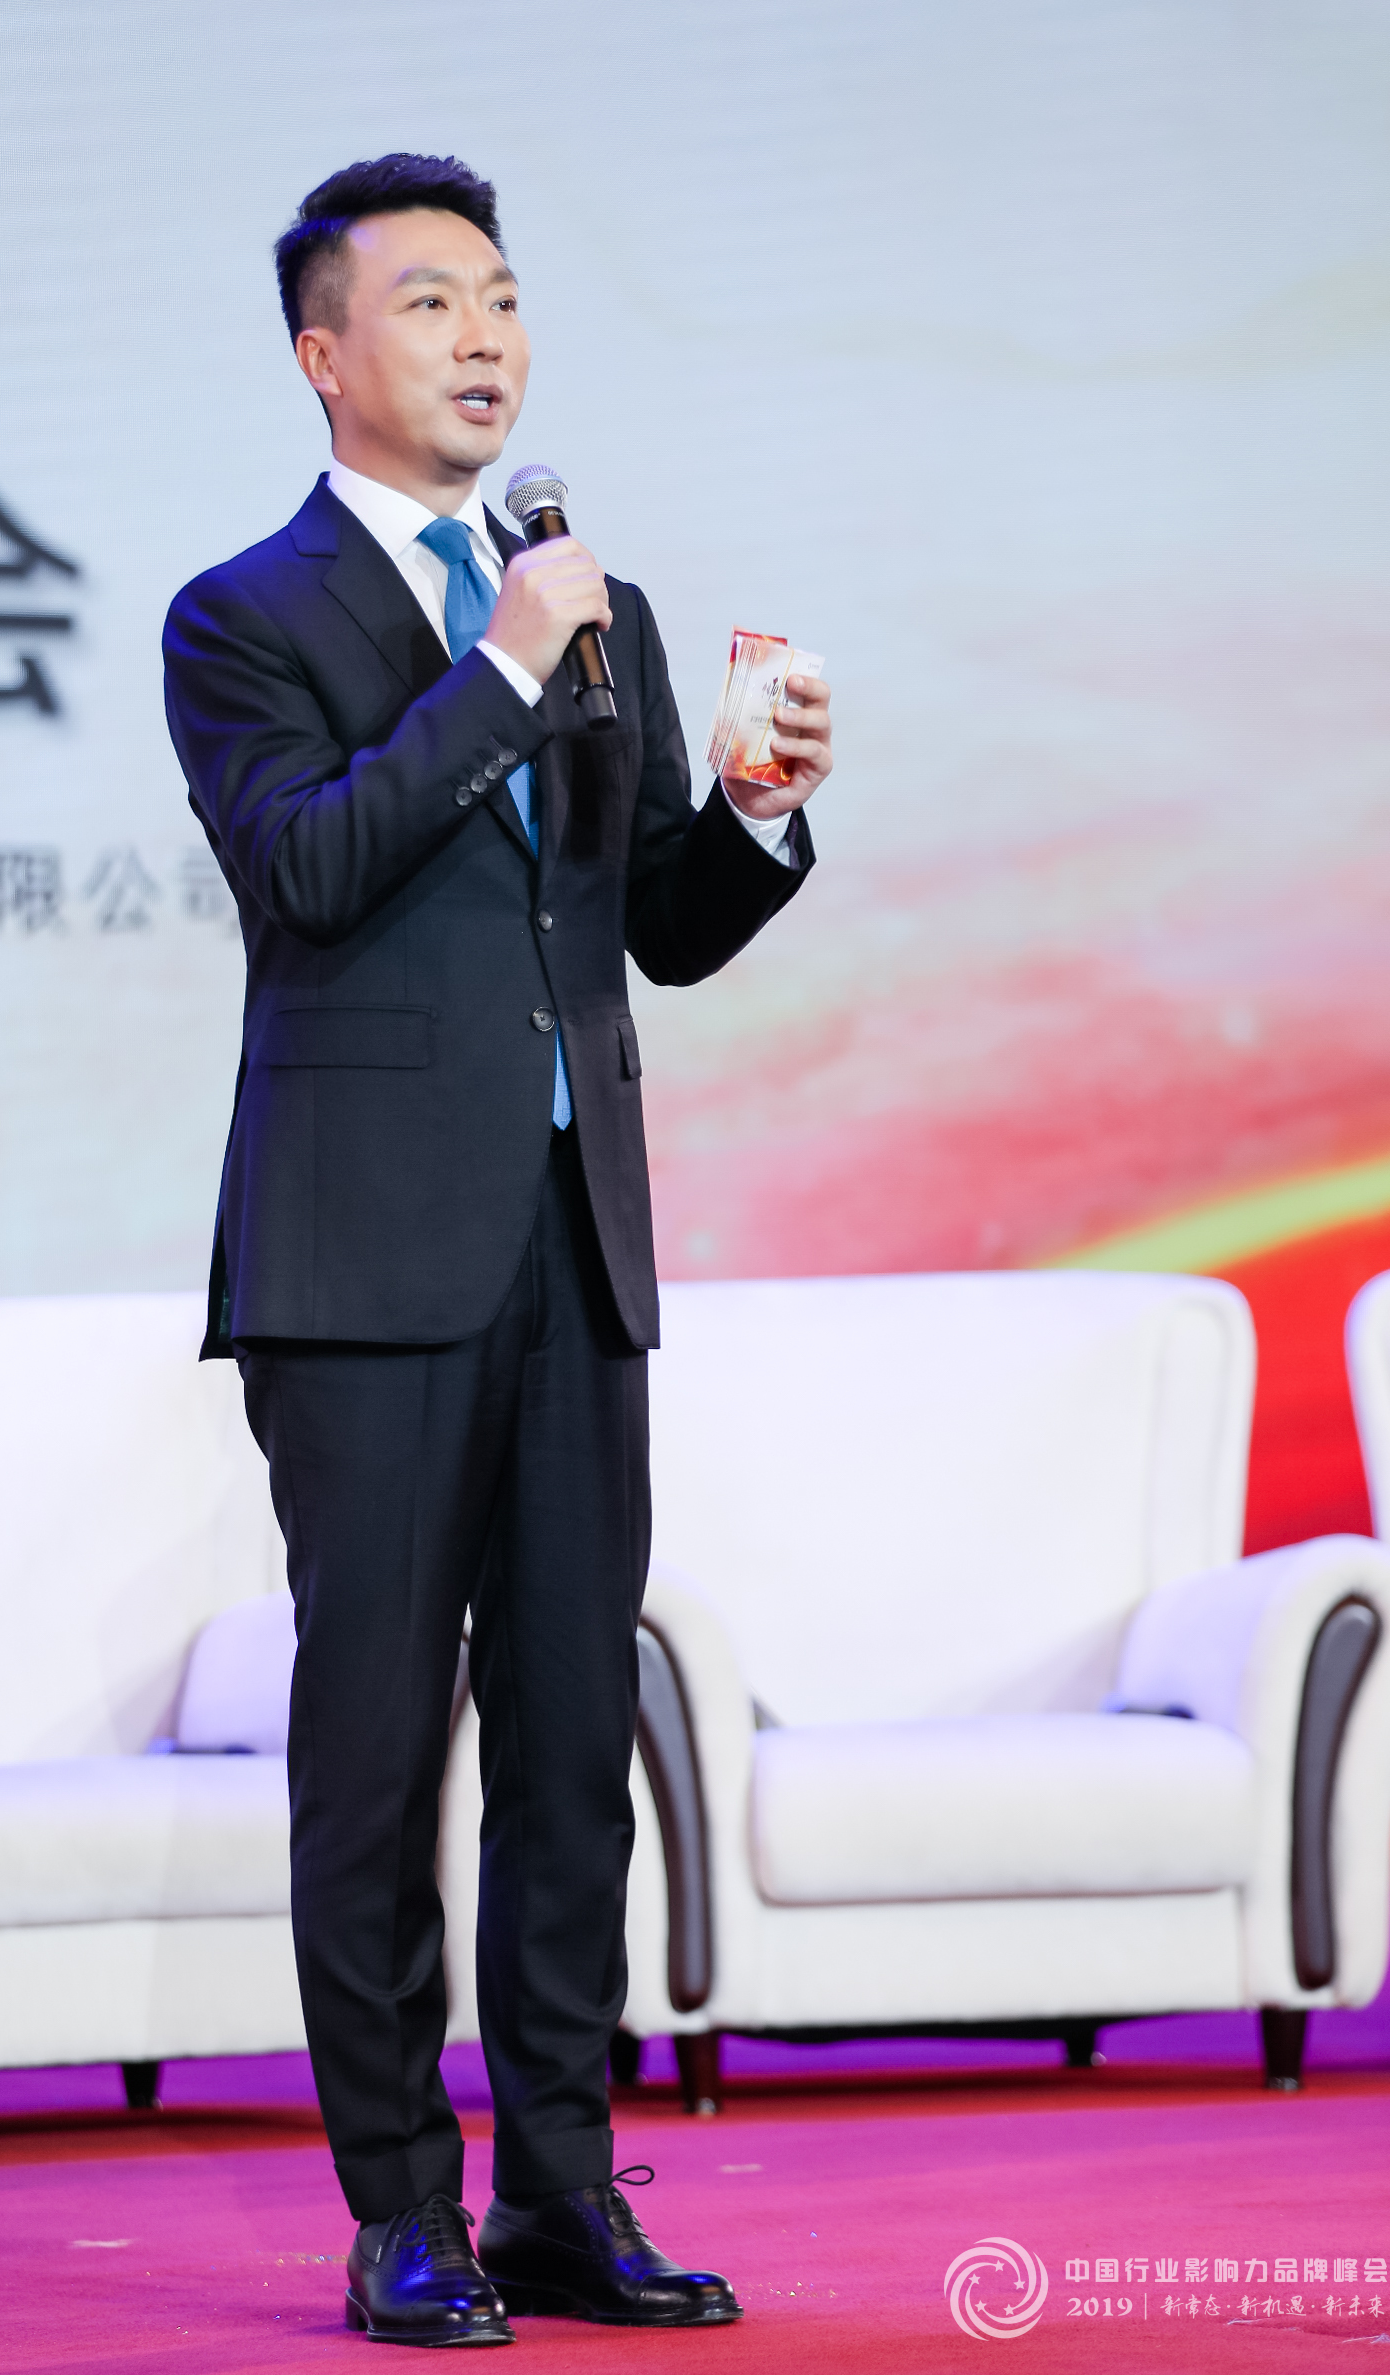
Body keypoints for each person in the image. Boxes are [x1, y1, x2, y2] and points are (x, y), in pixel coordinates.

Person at [162, 152, 832, 2348]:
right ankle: (400, 2215)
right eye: (432, 301)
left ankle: (560, 2195)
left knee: (567, 1750)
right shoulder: (244, 617)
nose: (484, 338)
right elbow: (309, 870)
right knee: (375, 1755)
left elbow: (654, 929)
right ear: (322, 354)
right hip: (361, 1270)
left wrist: (753, 809)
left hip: (575, 1247)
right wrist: (503, 667)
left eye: (507, 299)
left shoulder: (587, 600)